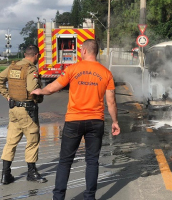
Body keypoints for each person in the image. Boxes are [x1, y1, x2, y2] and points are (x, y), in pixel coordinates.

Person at [31, 39, 120, 200]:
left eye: (80, 50)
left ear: (85, 51)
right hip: (96, 121)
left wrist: (40, 91)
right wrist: (115, 122)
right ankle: (90, 197)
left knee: (65, 161)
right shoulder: (106, 73)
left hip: (74, 121)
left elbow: (53, 88)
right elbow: (111, 101)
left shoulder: (73, 69)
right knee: (92, 161)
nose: (80, 52)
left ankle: (58, 197)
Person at [0, 45, 47, 185]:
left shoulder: (13, 67)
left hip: (13, 109)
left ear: (25, 54)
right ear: (36, 56)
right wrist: (41, 93)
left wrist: (7, 95)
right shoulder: (31, 69)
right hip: (27, 110)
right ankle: (31, 173)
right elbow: (32, 89)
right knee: (33, 140)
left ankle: (5, 174)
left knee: (11, 141)